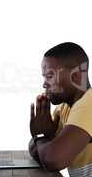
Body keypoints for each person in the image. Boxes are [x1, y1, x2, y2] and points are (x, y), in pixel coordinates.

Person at [28, 42, 92, 177]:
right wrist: (46, 138)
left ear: (75, 77)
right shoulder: (63, 109)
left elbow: (53, 160)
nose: (44, 83)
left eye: (50, 76)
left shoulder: (90, 103)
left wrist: (40, 136)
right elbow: (35, 150)